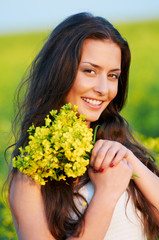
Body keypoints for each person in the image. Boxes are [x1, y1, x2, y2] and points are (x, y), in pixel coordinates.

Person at [8, 12, 159, 240]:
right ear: (60, 73)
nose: (103, 88)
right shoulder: (29, 174)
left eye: (113, 75)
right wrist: (106, 194)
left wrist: (129, 158)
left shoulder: (120, 147)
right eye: (90, 71)